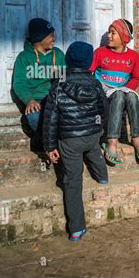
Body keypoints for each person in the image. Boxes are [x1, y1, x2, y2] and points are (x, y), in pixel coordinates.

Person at [43, 41, 109, 242]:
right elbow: (104, 111)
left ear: (67, 60)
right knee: (93, 151)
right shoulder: (96, 84)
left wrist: (50, 146)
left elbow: (51, 118)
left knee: (73, 181)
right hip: (92, 136)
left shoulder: (59, 85)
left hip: (70, 141)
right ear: (90, 63)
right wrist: (100, 132)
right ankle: (102, 176)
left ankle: (77, 229)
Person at [89, 19, 139, 165]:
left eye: (113, 33)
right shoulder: (99, 53)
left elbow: (136, 78)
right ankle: (111, 142)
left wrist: (127, 88)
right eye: (109, 32)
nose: (109, 36)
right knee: (118, 95)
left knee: (131, 96)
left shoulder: (133, 56)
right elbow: (89, 73)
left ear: (124, 37)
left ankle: (136, 138)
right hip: (104, 90)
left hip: (123, 90)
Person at [13, 18, 65, 136]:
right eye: (51, 35)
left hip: (55, 99)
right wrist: (29, 100)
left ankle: (62, 143)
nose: (54, 39)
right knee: (34, 116)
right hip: (36, 101)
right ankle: (48, 143)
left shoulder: (58, 54)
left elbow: (64, 80)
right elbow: (19, 83)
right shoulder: (24, 58)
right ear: (40, 38)